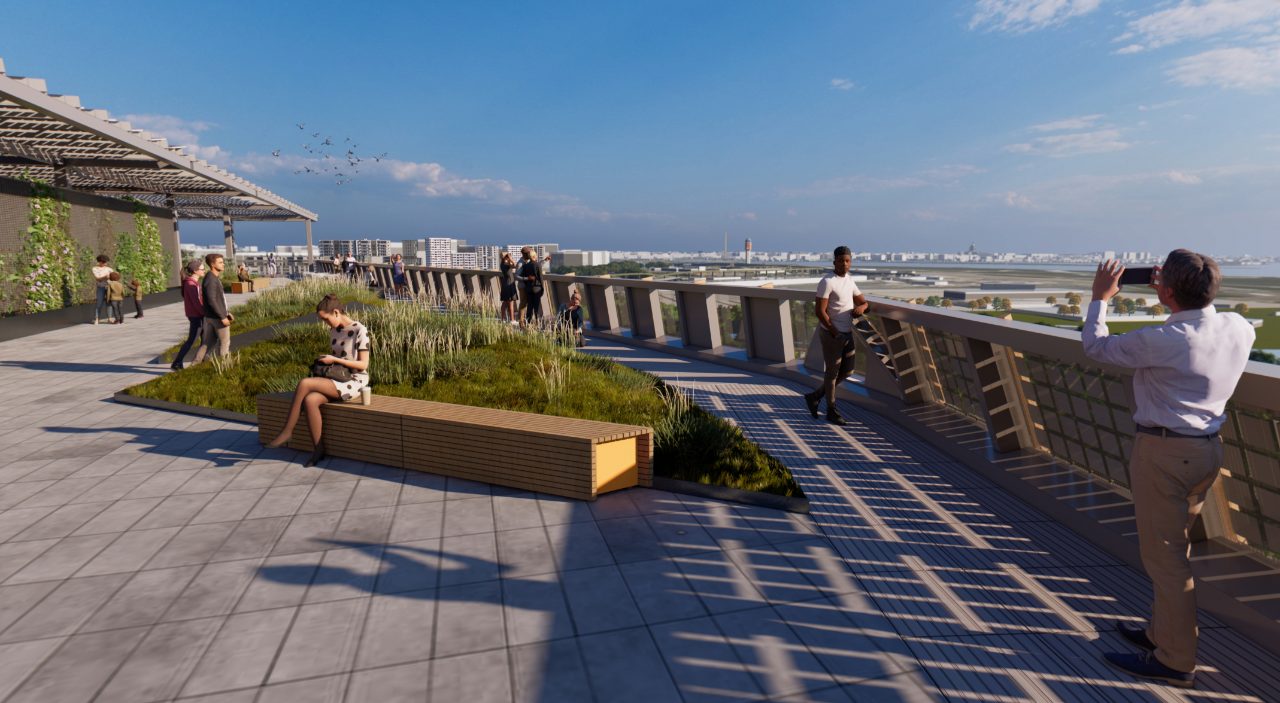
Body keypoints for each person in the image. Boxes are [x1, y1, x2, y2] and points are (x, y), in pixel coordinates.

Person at [1085, 250, 1254, 689]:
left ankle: (1176, 660)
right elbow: (1204, 318)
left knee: (1165, 559)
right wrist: (1174, 293)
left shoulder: (1165, 337)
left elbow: (1095, 347)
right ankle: (1160, 634)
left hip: (1164, 453)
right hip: (1206, 450)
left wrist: (1101, 298)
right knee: (1174, 550)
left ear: (1167, 289)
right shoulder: (1238, 327)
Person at [266, 294, 371, 466]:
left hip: (355, 381)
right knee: (310, 400)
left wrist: (335, 360)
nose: (326, 324)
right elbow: (336, 360)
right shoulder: (334, 331)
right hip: (338, 378)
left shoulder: (360, 330)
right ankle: (318, 450)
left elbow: (363, 364)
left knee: (305, 383)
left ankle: (287, 431)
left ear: (336, 312)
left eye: (326, 319)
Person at [801, 246, 867, 426]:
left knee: (848, 371)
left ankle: (815, 396)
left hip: (847, 332)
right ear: (834, 262)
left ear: (850, 262)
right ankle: (831, 409)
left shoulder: (850, 280)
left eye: (847, 261)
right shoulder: (827, 282)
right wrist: (835, 333)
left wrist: (862, 307)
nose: (844, 264)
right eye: (841, 261)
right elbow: (820, 311)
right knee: (832, 373)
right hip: (832, 334)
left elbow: (863, 301)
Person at [195, 253, 234, 361]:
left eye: (223, 262)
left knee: (207, 343)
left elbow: (218, 299)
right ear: (212, 264)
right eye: (220, 262)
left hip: (212, 316)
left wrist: (227, 312)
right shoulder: (211, 279)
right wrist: (223, 316)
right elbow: (212, 300)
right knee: (225, 343)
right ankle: (224, 366)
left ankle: (194, 365)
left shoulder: (211, 277)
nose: (223, 264)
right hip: (217, 318)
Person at [172, 259, 205, 370]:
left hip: (197, 315)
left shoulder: (193, 283)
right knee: (192, 340)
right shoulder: (190, 284)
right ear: (195, 271)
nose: (204, 270)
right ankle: (177, 362)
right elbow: (196, 303)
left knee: (204, 339)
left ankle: (201, 361)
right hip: (196, 316)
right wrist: (204, 313)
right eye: (202, 269)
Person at [519, 247, 546, 324]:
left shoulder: (525, 266)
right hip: (537, 288)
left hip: (528, 288)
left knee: (530, 306)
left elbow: (524, 277)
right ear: (534, 256)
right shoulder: (537, 265)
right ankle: (537, 322)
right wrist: (542, 288)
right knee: (536, 306)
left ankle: (528, 322)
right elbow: (540, 278)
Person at [91, 255, 113, 325]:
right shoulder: (95, 269)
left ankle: (109, 318)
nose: (105, 263)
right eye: (103, 262)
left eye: (105, 262)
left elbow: (114, 277)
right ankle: (97, 319)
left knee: (109, 302)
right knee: (99, 303)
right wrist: (105, 277)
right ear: (99, 262)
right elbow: (97, 278)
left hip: (108, 287)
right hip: (100, 287)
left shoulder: (109, 269)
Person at [499, 251, 519, 323]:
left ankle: (502, 319)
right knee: (510, 302)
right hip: (509, 283)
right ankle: (512, 320)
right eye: (508, 256)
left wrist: (508, 258)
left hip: (505, 284)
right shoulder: (506, 264)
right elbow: (515, 265)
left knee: (504, 302)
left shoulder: (502, 264)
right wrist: (510, 258)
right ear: (506, 257)